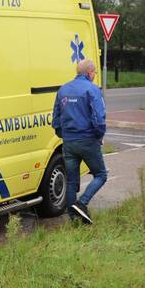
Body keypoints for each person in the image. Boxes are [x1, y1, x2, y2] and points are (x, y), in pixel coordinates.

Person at [52, 59, 108, 224]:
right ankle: (82, 203)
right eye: (95, 73)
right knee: (100, 174)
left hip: (68, 142)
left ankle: (73, 219)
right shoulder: (92, 89)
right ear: (90, 72)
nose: (94, 75)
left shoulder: (63, 89)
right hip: (88, 140)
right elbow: (99, 118)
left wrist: (64, 135)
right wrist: (98, 136)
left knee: (71, 180)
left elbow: (55, 118)